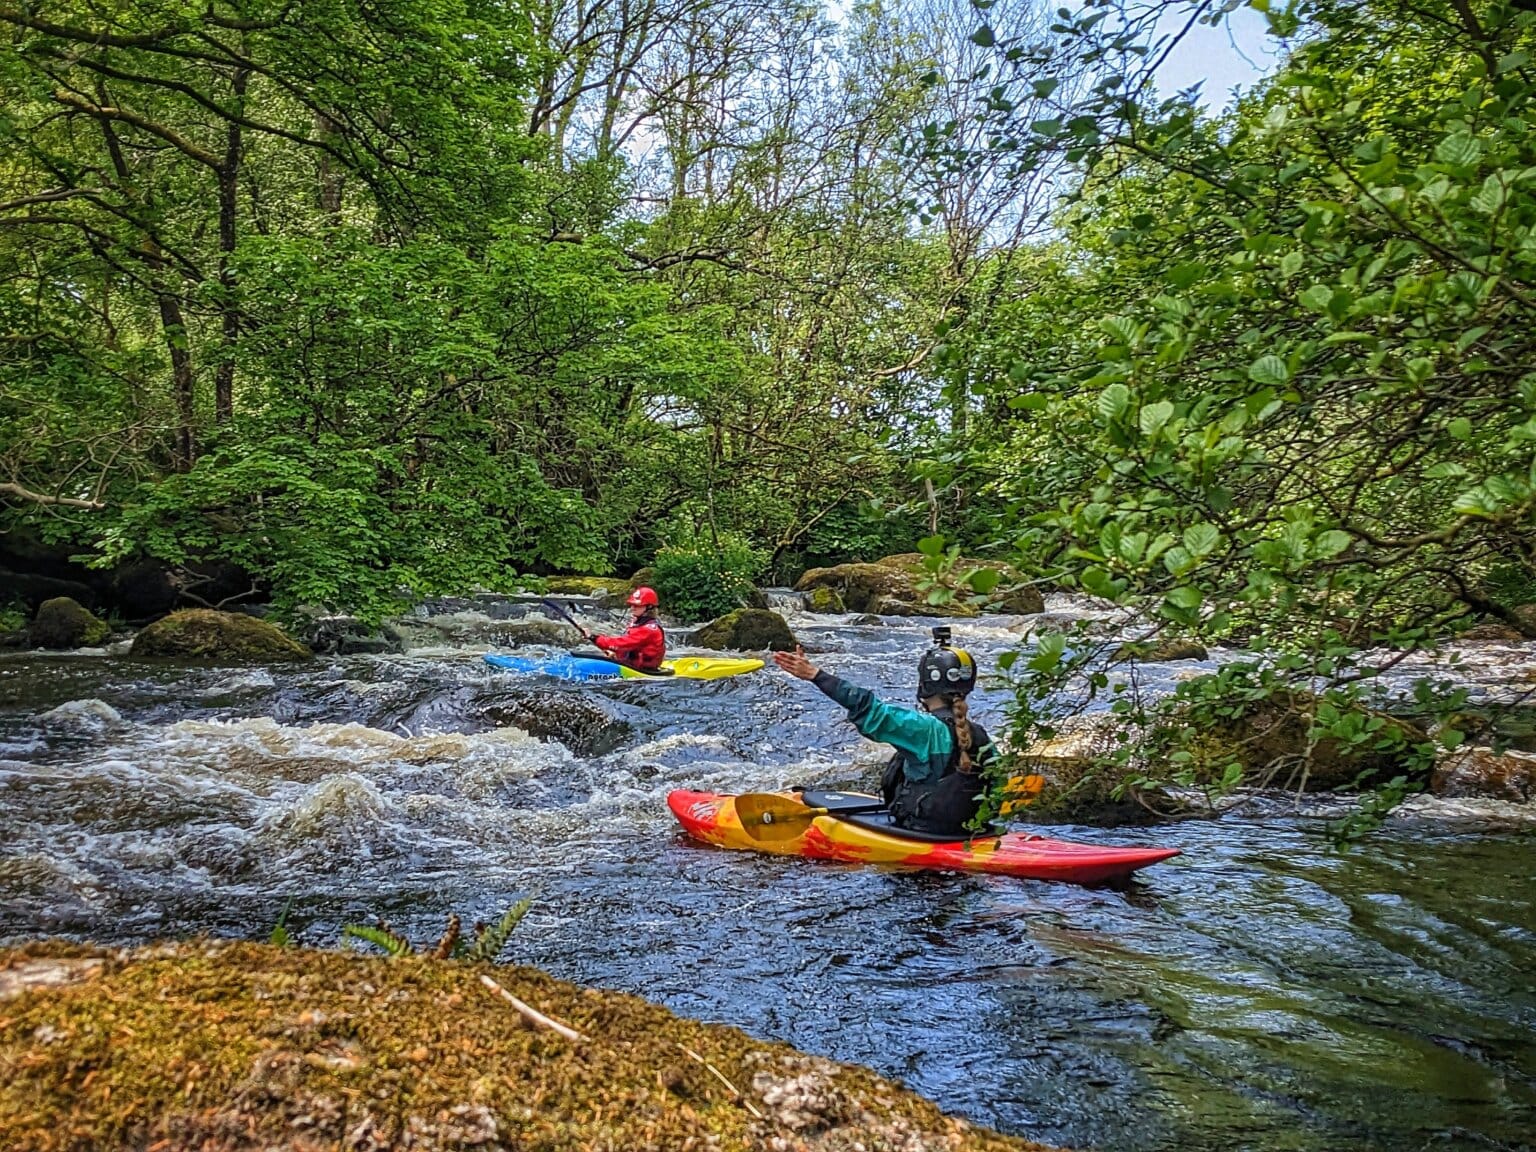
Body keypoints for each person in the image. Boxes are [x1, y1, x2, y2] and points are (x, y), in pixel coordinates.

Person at [772, 628, 997, 836]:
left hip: (923, 831)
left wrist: (815, 675)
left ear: (926, 684)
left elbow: (866, 707)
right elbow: (997, 787)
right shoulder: (980, 734)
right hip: (967, 832)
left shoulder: (924, 729)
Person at [576, 586, 666, 671]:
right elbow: (627, 648)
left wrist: (594, 637)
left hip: (644, 670)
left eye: (637, 605)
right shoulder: (637, 623)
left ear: (649, 607)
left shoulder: (648, 629)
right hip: (633, 665)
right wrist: (615, 654)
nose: (632, 608)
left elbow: (621, 644)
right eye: (632, 605)